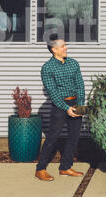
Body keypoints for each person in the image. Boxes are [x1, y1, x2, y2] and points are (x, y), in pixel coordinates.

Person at [35, 36, 85, 181]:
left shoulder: (74, 63)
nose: (66, 48)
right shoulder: (47, 68)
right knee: (53, 137)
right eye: (63, 46)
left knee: (74, 136)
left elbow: (80, 85)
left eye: (65, 45)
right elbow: (52, 92)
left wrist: (79, 105)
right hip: (59, 105)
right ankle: (40, 169)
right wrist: (66, 108)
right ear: (54, 49)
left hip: (76, 102)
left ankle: (65, 167)